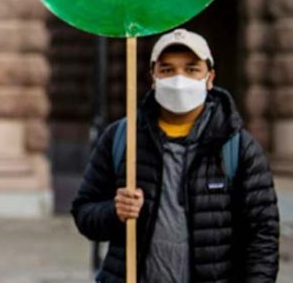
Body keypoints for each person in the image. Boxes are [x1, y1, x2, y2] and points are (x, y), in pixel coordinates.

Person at [72, 28, 280, 282]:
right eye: (167, 70)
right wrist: (115, 212)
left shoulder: (238, 148)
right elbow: (84, 212)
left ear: (209, 77)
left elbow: (262, 236)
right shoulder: (122, 138)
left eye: (191, 69)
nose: (179, 79)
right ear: (153, 77)